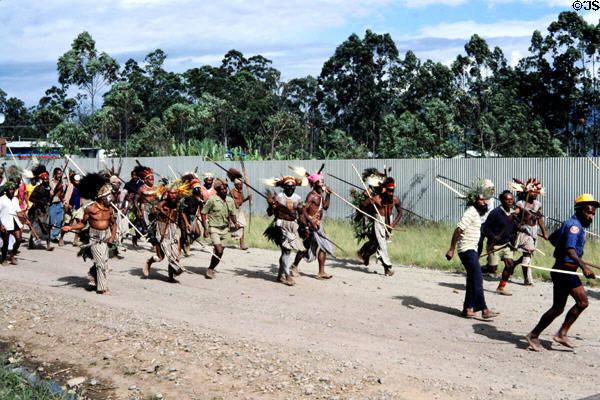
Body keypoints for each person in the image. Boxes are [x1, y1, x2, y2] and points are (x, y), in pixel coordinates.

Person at [525, 194, 597, 352]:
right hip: (565, 271)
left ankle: (544, 334)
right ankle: (552, 334)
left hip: (566, 269)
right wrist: (584, 267)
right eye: (588, 212)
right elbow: (571, 250)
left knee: (558, 307)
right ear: (579, 210)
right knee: (582, 302)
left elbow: (552, 238)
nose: (591, 217)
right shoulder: (574, 227)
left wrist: (571, 256)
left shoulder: (571, 223)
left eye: (593, 214)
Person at [446, 183, 499, 319]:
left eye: (484, 199)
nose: (484, 201)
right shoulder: (470, 212)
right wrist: (451, 249)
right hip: (466, 249)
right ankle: (484, 310)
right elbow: (458, 229)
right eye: (481, 200)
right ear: (474, 201)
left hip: (472, 249)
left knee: (471, 279)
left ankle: (467, 309)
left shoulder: (476, 212)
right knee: (477, 278)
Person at [62, 175, 116, 295]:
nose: (110, 199)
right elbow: (82, 224)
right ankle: (102, 288)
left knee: (105, 262)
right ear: (101, 198)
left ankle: (94, 275)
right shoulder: (90, 209)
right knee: (101, 264)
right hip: (94, 238)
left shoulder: (110, 210)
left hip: (105, 238)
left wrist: (112, 237)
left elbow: (113, 224)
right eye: (108, 197)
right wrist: (70, 227)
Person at [264, 176, 307, 286]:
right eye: (288, 187)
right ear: (283, 187)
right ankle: (287, 275)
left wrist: (305, 226)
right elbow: (269, 213)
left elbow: (301, 214)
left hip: (293, 226)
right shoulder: (278, 197)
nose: (290, 189)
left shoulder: (298, 198)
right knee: (286, 250)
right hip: (280, 225)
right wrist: (271, 205)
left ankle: (280, 274)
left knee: (291, 250)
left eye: (292, 187)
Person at [292, 171, 334, 279]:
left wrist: (328, 195)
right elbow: (303, 210)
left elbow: (325, 207)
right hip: (311, 225)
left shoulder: (320, 195)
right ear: (314, 184)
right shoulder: (311, 196)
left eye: (323, 182)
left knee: (323, 246)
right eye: (320, 182)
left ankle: (321, 272)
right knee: (305, 247)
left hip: (318, 224)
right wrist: (310, 223)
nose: (323, 184)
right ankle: (294, 266)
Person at [357, 176, 402, 276]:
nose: (391, 193)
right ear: (385, 190)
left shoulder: (395, 200)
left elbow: (400, 213)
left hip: (388, 223)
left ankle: (365, 255)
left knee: (378, 245)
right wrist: (367, 200)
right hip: (378, 222)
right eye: (389, 191)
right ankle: (387, 269)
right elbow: (362, 206)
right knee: (382, 246)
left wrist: (393, 223)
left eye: (392, 191)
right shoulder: (376, 199)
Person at [144, 183, 185, 283]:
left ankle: (170, 276)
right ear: (167, 193)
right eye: (171, 193)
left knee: (175, 256)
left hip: (173, 231)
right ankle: (149, 262)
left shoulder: (178, 204)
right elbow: (150, 218)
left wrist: (185, 229)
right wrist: (154, 212)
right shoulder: (160, 204)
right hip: (162, 232)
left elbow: (180, 218)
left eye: (175, 193)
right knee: (160, 257)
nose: (173, 195)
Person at [512, 179, 548, 285]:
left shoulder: (538, 204)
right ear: (526, 192)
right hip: (524, 231)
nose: (535, 194)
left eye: (536, 192)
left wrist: (544, 233)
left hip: (534, 230)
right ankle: (528, 279)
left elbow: (540, 219)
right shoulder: (520, 204)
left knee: (529, 253)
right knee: (528, 253)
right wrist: (517, 223)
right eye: (532, 192)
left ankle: (515, 264)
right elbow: (514, 216)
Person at [201, 178, 238, 279]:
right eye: (221, 189)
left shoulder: (230, 200)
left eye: (225, 188)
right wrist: (205, 229)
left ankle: (211, 268)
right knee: (219, 250)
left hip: (224, 229)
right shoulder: (212, 200)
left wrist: (235, 223)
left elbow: (232, 214)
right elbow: (203, 213)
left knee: (220, 252)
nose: (224, 191)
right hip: (214, 228)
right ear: (217, 190)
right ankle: (210, 269)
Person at [482, 190, 517, 295]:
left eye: (512, 199)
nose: (510, 201)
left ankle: (501, 287)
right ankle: (474, 271)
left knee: (510, 265)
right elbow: (486, 228)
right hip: (495, 245)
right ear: (502, 200)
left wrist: (518, 228)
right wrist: (493, 236)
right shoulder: (495, 213)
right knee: (492, 269)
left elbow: (512, 227)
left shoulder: (513, 213)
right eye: (507, 199)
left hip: (506, 244)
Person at [0, 182, 25, 265]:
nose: (11, 191)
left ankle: (12, 255)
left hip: (14, 221)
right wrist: (1, 225)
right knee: (6, 242)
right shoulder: (1, 199)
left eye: (13, 189)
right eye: (10, 189)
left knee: (19, 239)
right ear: (6, 190)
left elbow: (18, 211)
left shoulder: (15, 199)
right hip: (5, 223)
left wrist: (24, 217)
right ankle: (3, 259)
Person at [28, 167, 53, 250]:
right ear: (42, 180)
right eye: (45, 179)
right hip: (38, 210)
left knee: (48, 226)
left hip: (46, 209)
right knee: (36, 226)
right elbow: (31, 198)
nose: (47, 181)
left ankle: (48, 245)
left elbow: (48, 198)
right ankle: (31, 242)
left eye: (47, 179)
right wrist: (39, 202)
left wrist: (49, 200)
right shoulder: (38, 188)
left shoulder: (48, 188)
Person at [59, 173, 83, 246]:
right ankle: (61, 238)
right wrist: (67, 204)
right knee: (67, 223)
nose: (77, 182)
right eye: (76, 181)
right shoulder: (70, 187)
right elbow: (66, 197)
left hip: (78, 208)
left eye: (78, 181)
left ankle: (75, 240)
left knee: (80, 223)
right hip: (70, 208)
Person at [229, 178, 251, 250]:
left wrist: (247, 198)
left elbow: (241, 201)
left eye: (241, 184)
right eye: (238, 184)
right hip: (233, 211)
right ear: (235, 185)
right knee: (230, 226)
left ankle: (241, 245)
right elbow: (228, 202)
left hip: (240, 210)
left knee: (242, 226)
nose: (240, 186)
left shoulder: (241, 192)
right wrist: (234, 204)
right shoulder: (232, 192)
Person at [48, 167, 65, 242]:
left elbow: (61, 194)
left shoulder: (62, 183)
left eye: (60, 174)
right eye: (58, 174)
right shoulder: (50, 182)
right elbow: (50, 194)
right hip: (52, 204)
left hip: (59, 203)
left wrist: (61, 189)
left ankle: (54, 236)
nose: (59, 175)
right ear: (55, 174)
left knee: (60, 221)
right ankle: (48, 235)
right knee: (51, 222)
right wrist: (57, 189)